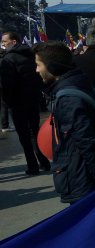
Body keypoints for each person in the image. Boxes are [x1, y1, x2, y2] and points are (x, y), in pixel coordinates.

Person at [34, 41, 95, 202]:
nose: (37, 70)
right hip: (83, 175)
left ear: (52, 66)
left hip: (82, 179)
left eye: (38, 65)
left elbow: (85, 140)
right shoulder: (76, 84)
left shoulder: (69, 97)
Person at [0, 30, 51, 174]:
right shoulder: (31, 56)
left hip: (17, 103)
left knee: (24, 136)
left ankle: (32, 166)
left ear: (13, 42)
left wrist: (8, 102)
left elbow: (7, 85)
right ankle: (44, 162)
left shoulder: (8, 59)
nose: (3, 44)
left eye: (4, 41)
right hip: (32, 99)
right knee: (35, 132)